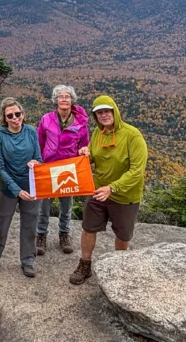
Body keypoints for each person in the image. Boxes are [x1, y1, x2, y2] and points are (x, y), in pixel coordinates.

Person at [69, 95, 148, 285]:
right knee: (88, 228)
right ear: (95, 116)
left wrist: (112, 188)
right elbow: (94, 158)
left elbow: (137, 170)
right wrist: (85, 154)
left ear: (114, 111)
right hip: (98, 191)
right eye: (99, 113)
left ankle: (118, 266)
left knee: (122, 235)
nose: (104, 115)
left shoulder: (132, 135)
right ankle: (85, 264)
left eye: (106, 111)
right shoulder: (98, 133)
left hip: (125, 195)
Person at [0, 98, 42, 277]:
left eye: (18, 114)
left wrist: (35, 163)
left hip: (30, 185)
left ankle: (28, 260)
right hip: (7, 186)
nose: (15, 118)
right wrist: (17, 190)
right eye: (10, 115)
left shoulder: (30, 131)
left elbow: (39, 157)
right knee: (1, 221)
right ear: (4, 118)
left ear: (23, 114)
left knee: (30, 223)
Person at [35, 85, 89, 255]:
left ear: (72, 100)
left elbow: (85, 144)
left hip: (68, 169)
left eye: (67, 96)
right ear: (56, 100)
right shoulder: (46, 119)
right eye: (61, 96)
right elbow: (39, 141)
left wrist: (84, 150)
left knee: (66, 206)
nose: (64, 99)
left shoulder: (80, 123)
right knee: (44, 206)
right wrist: (38, 161)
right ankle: (41, 235)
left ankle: (64, 234)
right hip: (49, 167)